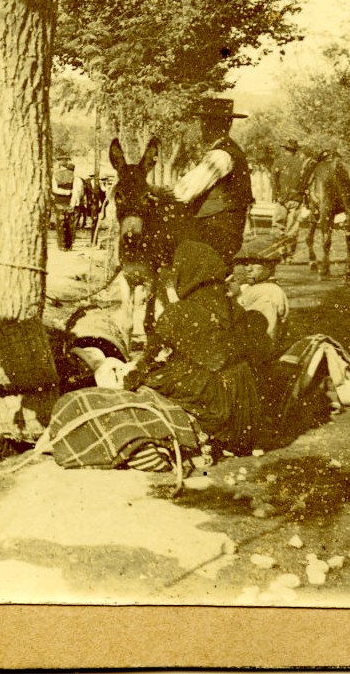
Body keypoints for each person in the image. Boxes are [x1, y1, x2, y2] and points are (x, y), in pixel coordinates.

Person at [123, 240, 275, 453]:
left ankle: (203, 431)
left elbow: (149, 356)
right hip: (244, 420)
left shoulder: (179, 311)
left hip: (216, 411)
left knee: (155, 380)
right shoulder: (233, 307)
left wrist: (133, 377)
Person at [171, 98, 254, 273]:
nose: (203, 127)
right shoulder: (230, 151)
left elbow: (183, 192)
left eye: (208, 121)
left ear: (224, 124)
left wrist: (156, 191)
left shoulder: (221, 155)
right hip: (225, 231)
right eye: (204, 121)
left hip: (215, 233)